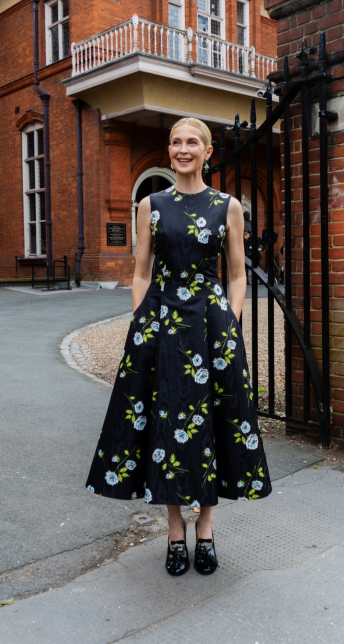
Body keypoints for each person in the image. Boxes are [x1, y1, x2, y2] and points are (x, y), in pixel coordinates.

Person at [85, 117, 272, 577]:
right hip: (160, 325)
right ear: (169, 151)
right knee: (164, 422)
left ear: (208, 151)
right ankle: (174, 531)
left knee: (212, 419)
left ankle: (205, 529)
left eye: (192, 142)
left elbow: (235, 274)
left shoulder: (227, 206)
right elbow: (142, 271)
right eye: (175, 142)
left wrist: (230, 322)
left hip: (211, 327)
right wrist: (139, 320)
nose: (182, 149)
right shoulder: (150, 204)